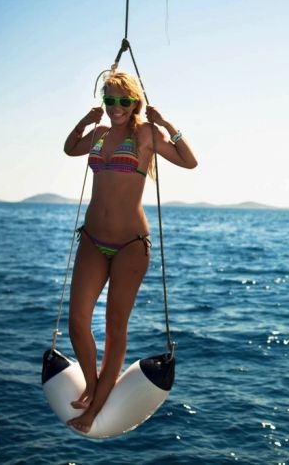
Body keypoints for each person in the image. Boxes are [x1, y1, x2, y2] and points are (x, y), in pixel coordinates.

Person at [62, 71, 197, 433]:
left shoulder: (145, 135)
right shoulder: (100, 134)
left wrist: (167, 123)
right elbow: (70, 148)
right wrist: (85, 121)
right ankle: (92, 384)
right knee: (77, 321)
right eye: (109, 100)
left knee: (114, 327)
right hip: (92, 239)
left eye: (123, 100)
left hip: (130, 246)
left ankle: (95, 406)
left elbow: (189, 161)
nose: (115, 107)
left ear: (135, 101)